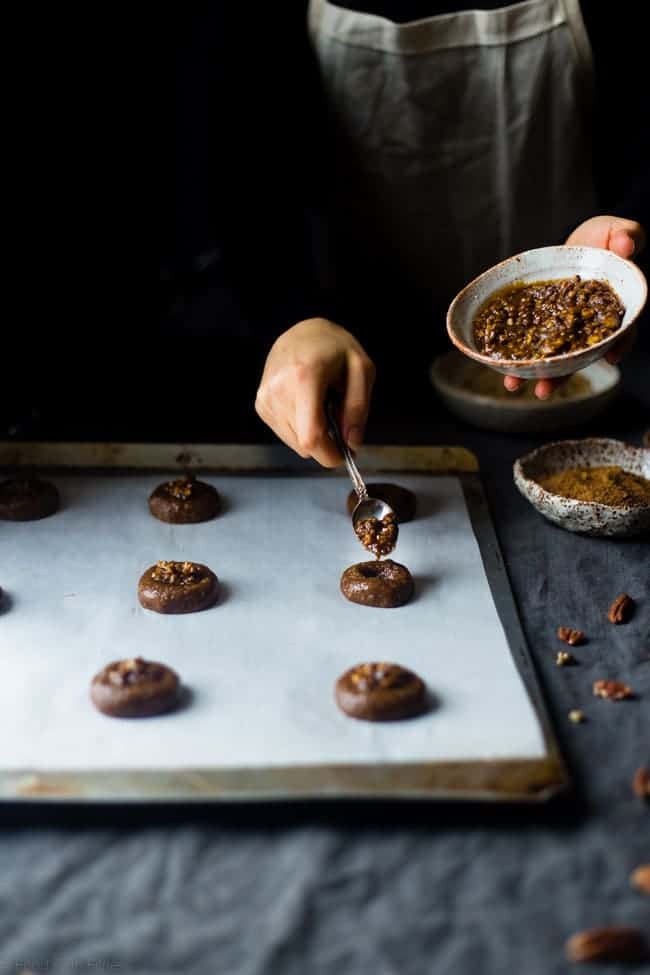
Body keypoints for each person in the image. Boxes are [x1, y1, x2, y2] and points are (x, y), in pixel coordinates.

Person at [160, 2, 648, 458]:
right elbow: (241, 171)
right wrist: (292, 317)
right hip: (355, 365)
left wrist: (622, 232)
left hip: (589, 385)